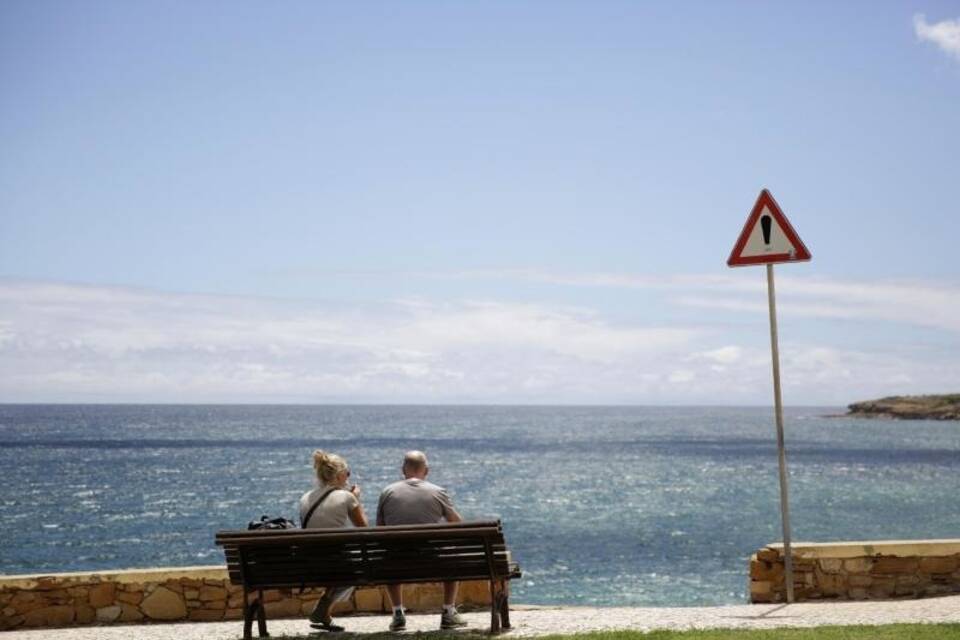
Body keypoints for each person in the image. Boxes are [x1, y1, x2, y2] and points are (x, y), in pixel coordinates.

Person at [376, 450, 467, 631]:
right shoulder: (438, 492)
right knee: (452, 555)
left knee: (390, 554)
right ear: (426, 470)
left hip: (397, 562)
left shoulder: (387, 492)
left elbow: (380, 528)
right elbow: (458, 524)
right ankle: (448, 612)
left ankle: (397, 613)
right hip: (433, 562)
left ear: (403, 470)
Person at [299, 449, 368, 632]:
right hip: (335, 563)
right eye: (347, 473)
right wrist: (356, 499)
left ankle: (324, 613)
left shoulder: (305, 497)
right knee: (355, 569)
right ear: (339, 476)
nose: (348, 476)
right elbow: (363, 528)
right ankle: (323, 610)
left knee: (338, 561)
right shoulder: (347, 496)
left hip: (310, 563)